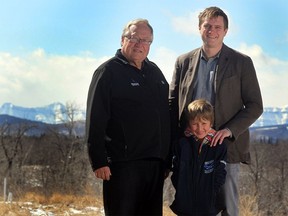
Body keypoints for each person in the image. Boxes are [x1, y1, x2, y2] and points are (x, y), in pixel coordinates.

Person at [169, 6, 263, 216]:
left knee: (228, 206)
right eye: (207, 26)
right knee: (191, 204)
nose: (212, 30)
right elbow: (172, 102)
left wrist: (228, 131)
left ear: (226, 31)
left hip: (225, 146)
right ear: (199, 28)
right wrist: (180, 131)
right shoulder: (183, 62)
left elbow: (255, 105)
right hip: (191, 147)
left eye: (217, 27)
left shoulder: (242, 62)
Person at [85, 18, 171, 216]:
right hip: (123, 165)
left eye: (146, 40)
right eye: (134, 38)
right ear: (122, 39)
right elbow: (96, 118)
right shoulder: (107, 72)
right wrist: (99, 160)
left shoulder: (155, 72)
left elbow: (165, 116)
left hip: (154, 165)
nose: (140, 45)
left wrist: (166, 159)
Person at [170, 99, 227, 216]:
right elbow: (176, 173)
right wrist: (182, 190)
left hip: (209, 206)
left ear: (211, 123)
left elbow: (220, 174)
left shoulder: (218, 145)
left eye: (204, 123)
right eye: (195, 124)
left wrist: (211, 193)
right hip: (184, 206)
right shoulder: (181, 144)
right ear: (189, 123)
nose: (200, 128)